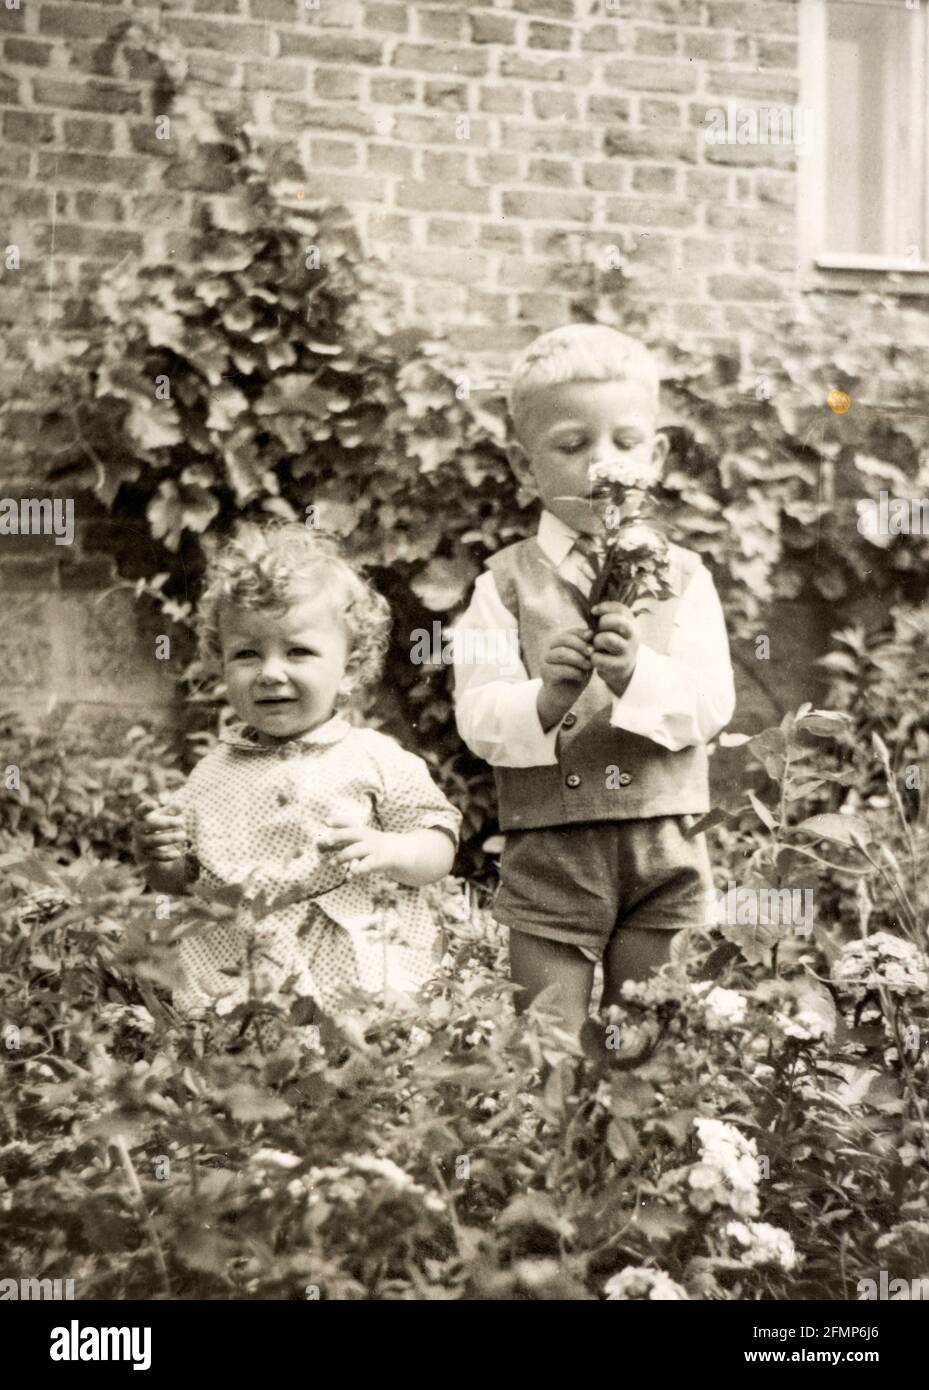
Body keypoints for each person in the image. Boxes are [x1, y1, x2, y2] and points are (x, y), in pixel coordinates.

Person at [453, 323, 735, 1036]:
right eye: (572, 446)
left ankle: (643, 1147)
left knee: (649, 1038)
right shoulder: (503, 585)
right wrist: (543, 699)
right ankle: (549, 1143)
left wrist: (638, 673)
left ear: (658, 455)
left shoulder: (684, 576)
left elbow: (709, 705)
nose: (600, 467)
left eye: (624, 444)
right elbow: (478, 712)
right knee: (547, 1038)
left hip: (661, 837)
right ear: (524, 467)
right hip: (552, 840)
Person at [132, 520, 461, 1020]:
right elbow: (183, 883)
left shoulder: (374, 757)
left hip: (350, 974)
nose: (269, 672)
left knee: (352, 1071)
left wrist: (390, 849)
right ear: (222, 665)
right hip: (242, 975)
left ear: (349, 668)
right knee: (249, 1070)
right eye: (246, 654)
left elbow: (439, 843)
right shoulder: (211, 774)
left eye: (299, 651)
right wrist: (160, 859)